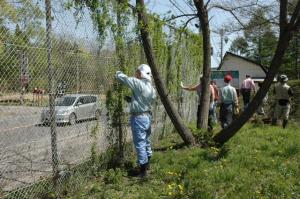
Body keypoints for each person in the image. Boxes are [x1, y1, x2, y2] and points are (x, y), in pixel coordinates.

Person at [115, 64, 156, 177]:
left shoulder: (138, 83)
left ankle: (142, 171)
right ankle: (147, 165)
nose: (135, 74)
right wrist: (132, 100)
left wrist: (117, 73)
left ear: (142, 73)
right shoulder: (152, 89)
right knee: (146, 141)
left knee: (140, 144)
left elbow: (125, 79)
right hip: (147, 116)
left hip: (138, 118)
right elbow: (145, 101)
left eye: (137, 72)